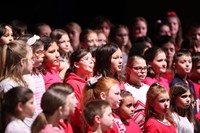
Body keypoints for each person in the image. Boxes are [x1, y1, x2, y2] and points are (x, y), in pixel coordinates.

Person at [64, 48, 94, 132]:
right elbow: (75, 112)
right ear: (76, 64)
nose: (91, 61)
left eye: (91, 59)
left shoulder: (90, 80)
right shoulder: (72, 83)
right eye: (86, 59)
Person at [123, 55, 149, 130]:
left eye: (145, 68)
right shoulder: (124, 88)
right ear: (128, 70)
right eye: (138, 68)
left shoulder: (149, 88)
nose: (143, 71)